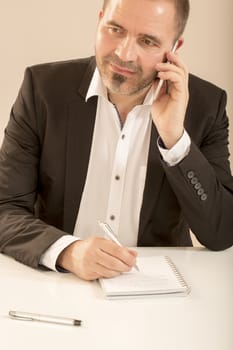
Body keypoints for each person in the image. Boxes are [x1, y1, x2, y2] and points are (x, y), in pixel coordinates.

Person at [0, 0, 232, 281]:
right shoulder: (43, 89)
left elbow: (221, 232)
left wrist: (175, 139)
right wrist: (68, 251)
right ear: (99, 20)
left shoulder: (206, 107)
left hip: (157, 292)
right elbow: (5, 209)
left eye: (147, 41)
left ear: (174, 49)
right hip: (57, 281)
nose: (124, 54)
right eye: (115, 29)